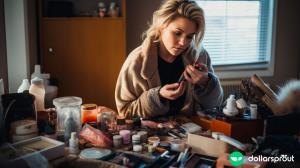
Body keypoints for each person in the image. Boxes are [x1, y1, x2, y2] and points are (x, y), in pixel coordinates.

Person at [115, 0, 223, 118]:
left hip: (193, 132)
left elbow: (215, 105)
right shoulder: (137, 61)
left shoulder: (200, 56)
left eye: (189, 36)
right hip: (152, 135)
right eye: (177, 33)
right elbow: (125, 112)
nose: (183, 42)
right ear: (162, 27)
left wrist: (206, 83)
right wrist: (158, 97)